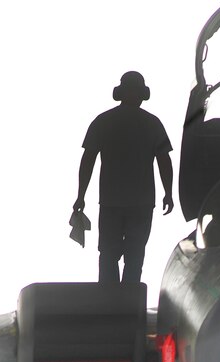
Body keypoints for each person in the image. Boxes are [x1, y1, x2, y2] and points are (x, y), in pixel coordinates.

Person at [72, 70, 174, 284]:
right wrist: (168, 193)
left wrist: (81, 195)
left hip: (112, 201)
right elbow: (164, 161)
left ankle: (109, 302)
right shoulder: (152, 123)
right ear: (141, 94)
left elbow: (87, 160)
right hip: (142, 201)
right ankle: (128, 302)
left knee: (108, 255)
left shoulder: (103, 121)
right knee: (135, 256)